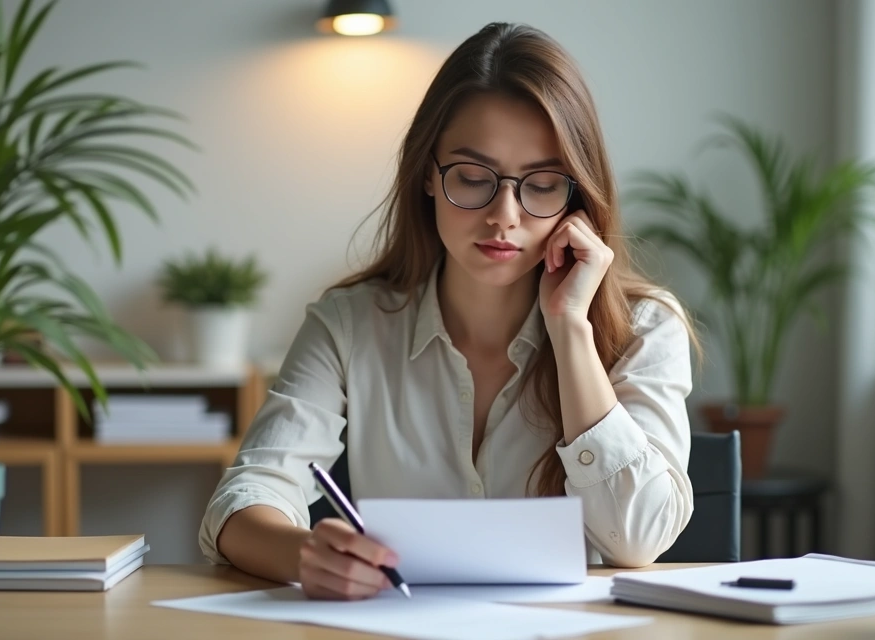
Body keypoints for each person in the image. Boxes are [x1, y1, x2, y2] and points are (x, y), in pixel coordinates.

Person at [198, 21, 699, 601]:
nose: (504, 215)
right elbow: (243, 499)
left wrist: (570, 331)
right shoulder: (349, 324)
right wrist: (307, 554)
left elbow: (640, 540)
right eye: (471, 177)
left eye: (541, 184)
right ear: (429, 177)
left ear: (578, 194)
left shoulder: (644, 326)